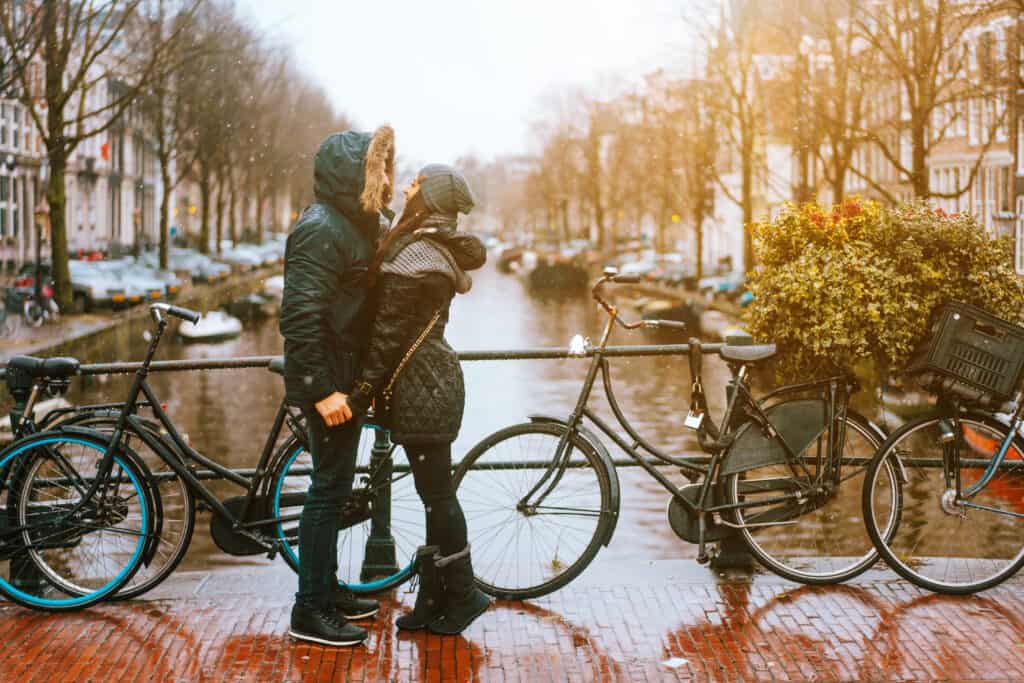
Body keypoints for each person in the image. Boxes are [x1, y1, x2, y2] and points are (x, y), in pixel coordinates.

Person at [343, 163, 489, 635]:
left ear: (429, 198)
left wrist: (362, 390)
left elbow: (389, 334)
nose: (408, 186)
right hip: (426, 378)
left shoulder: (419, 255)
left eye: (417, 183)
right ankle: (432, 599)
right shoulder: (425, 243)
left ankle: (464, 595)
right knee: (433, 496)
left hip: (422, 383)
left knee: (438, 495)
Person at [279, 125, 395, 647]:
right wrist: (321, 389)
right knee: (326, 493)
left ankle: (326, 591)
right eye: (377, 171)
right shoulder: (321, 228)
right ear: (353, 176)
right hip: (329, 380)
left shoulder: (351, 224)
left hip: (344, 376)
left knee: (333, 487)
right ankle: (310, 609)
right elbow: (300, 316)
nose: (387, 179)